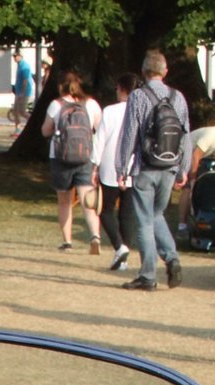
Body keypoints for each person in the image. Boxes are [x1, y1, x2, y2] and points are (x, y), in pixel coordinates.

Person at [119, 51, 189, 291]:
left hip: (146, 166)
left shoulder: (138, 96)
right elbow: (185, 135)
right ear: (165, 71)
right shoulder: (178, 97)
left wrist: (121, 166)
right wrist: (183, 169)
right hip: (170, 166)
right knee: (157, 214)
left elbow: (129, 133)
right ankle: (172, 257)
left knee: (144, 222)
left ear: (144, 72)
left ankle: (148, 275)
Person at [43, 72, 101, 252]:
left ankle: (67, 242)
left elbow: (45, 131)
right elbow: (99, 129)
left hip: (61, 158)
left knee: (64, 201)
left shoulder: (56, 105)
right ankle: (95, 235)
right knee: (87, 200)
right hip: (85, 157)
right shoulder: (91, 104)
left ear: (61, 86)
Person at [91, 73, 137, 272]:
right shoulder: (141, 111)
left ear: (122, 88)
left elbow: (99, 139)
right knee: (126, 212)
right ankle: (123, 254)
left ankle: (120, 247)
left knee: (105, 209)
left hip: (111, 165)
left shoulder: (110, 111)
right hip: (134, 166)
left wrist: (94, 164)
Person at [10, 55, 34, 127]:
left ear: (21, 56)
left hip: (24, 93)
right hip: (18, 92)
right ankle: (18, 129)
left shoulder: (25, 66)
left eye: (16, 56)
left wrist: (22, 93)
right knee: (15, 111)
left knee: (22, 111)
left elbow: (25, 80)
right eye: (14, 56)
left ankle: (34, 123)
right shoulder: (19, 66)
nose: (15, 58)